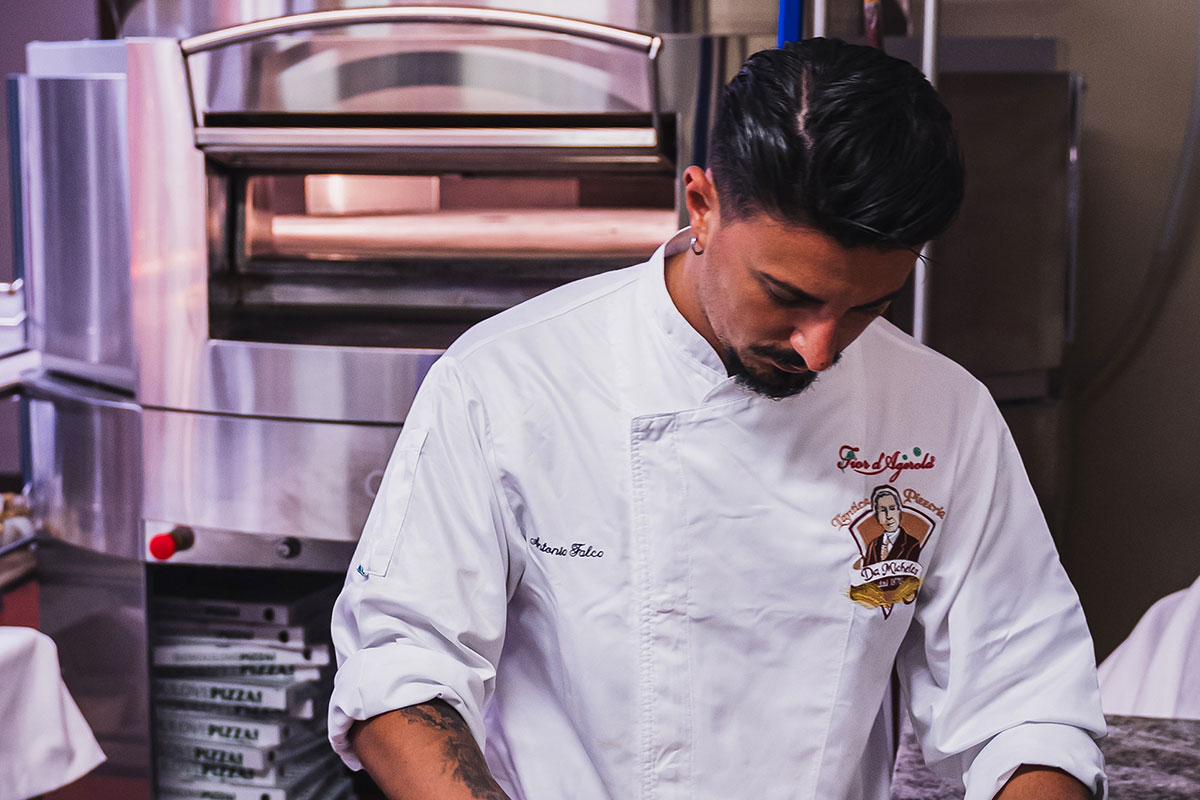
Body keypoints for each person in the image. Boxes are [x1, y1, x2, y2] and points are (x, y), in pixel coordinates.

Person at [329, 38, 1107, 800]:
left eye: (867, 307)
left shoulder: (941, 412)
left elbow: (1029, 705)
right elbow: (399, 668)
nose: (819, 348)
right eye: (788, 295)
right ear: (702, 207)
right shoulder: (508, 379)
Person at [862, 485, 922, 565]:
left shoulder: (912, 544)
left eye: (892, 509)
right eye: (883, 510)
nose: (888, 516)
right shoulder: (873, 545)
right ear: (877, 516)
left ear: (899, 512)